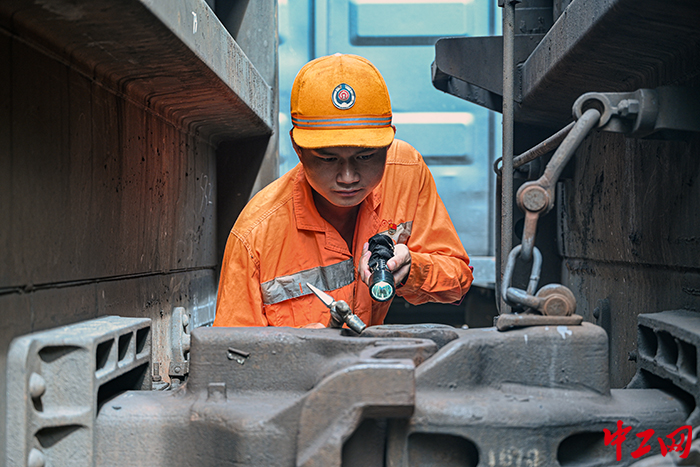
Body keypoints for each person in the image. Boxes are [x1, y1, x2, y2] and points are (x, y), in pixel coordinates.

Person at [214, 53, 473, 328]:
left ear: (388, 144)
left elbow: (458, 281)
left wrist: (413, 270)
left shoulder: (406, 171)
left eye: (365, 156)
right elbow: (231, 357)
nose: (348, 177)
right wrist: (292, 350)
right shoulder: (255, 236)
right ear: (298, 149)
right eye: (328, 158)